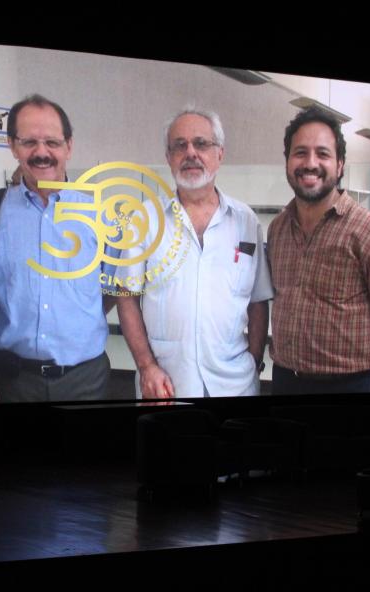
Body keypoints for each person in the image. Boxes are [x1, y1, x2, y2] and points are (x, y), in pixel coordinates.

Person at [0, 94, 114, 403]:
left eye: (53, 143)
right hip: (8, 379)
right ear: (13, 146)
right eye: (29, 141)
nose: (41, 152)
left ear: (69, 146)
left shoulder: (100, 214)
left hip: (84, 380)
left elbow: (112, 290)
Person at [116, 107, 272, 399]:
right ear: (168, 157)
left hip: (235, 386)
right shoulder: (145, 220)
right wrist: (147, 366)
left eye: (201, 143)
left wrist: (253, 361)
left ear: (219, 154)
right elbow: (127, 297)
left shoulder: (245, 221)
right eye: (180, 145)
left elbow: (257, 301)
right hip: (164, 386)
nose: (190, 153)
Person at [267, 106, 370, 395]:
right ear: (288, 161)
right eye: (300, 152)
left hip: (350, 387)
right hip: (284, 381)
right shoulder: (277, 229)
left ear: (340, 165)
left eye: (323, 153)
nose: (310, 163)